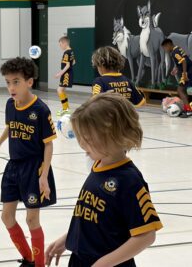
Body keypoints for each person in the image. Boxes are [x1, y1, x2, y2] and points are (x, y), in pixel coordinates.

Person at [45, 93, 163, 267]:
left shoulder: (129, 180)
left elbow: (146, 235)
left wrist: (103, 264)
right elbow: (94, 218)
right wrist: (68, 238)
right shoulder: (98, 165)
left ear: (114, 134)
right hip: (80, 258)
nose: (82, 145)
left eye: (88, 139)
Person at [0, 57, 57, 267]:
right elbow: (10, 126)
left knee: (31, 220)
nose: (11, 87)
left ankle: (39, 264)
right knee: (6, 217)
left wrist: (44, 176)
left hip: (33, 169)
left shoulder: (41, 110)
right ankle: (28, 258)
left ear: (29, 82)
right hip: (13, 166)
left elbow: (48, 145)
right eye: (8, 82)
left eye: (16, 81)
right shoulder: (10, 104)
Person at [161, 39, 192, 118]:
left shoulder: (174, 52)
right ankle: (187, 108)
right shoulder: (177, 48)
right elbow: (181, 60)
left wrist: (184, 74)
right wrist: (176, 69)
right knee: (183, 90)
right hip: (189, 69)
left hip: (189, 71)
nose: (165, 50)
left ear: (168, 45)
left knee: (180, 90)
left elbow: (184, 61)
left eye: (165, 48)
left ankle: (188, 111)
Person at [55, 36, 75, 116]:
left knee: (59, 90)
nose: (60, 46)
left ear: (65, 43)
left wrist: (60, 73)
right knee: (61, 90)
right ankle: (66, 108)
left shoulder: (66, 52)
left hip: (66, 74)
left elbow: (67, 65)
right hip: (68, 73)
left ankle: (65, 109)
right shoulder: (71, 51)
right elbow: (74, 62)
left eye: (60, 45)